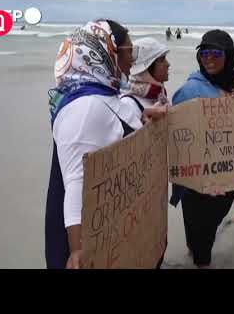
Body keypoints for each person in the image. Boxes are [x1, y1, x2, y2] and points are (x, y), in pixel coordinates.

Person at [45, 19, 167, 269]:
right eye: (128, 51)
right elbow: (77, 183)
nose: (133, 59)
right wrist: (78, 250)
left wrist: (145, 121)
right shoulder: (84, 108)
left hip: (117, 230)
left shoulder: (109, 94)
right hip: (89, 238)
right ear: (104, 51)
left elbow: (117, 134)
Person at [170, 29, 234, 268]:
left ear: (228, 56)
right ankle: (200, 259)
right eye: (204, 53)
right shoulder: (189, 90)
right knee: (202, 229)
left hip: (228, 171)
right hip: (199, 181)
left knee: (213, 220)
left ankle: (194, 249)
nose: (208, 58)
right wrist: (200, 180)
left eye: (216, 53)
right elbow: (178, 140)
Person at [123, 37, 170, 107]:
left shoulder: (159, 96)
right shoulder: (129, 103)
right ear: (146, 69)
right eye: (162, 60)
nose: (168, 64)